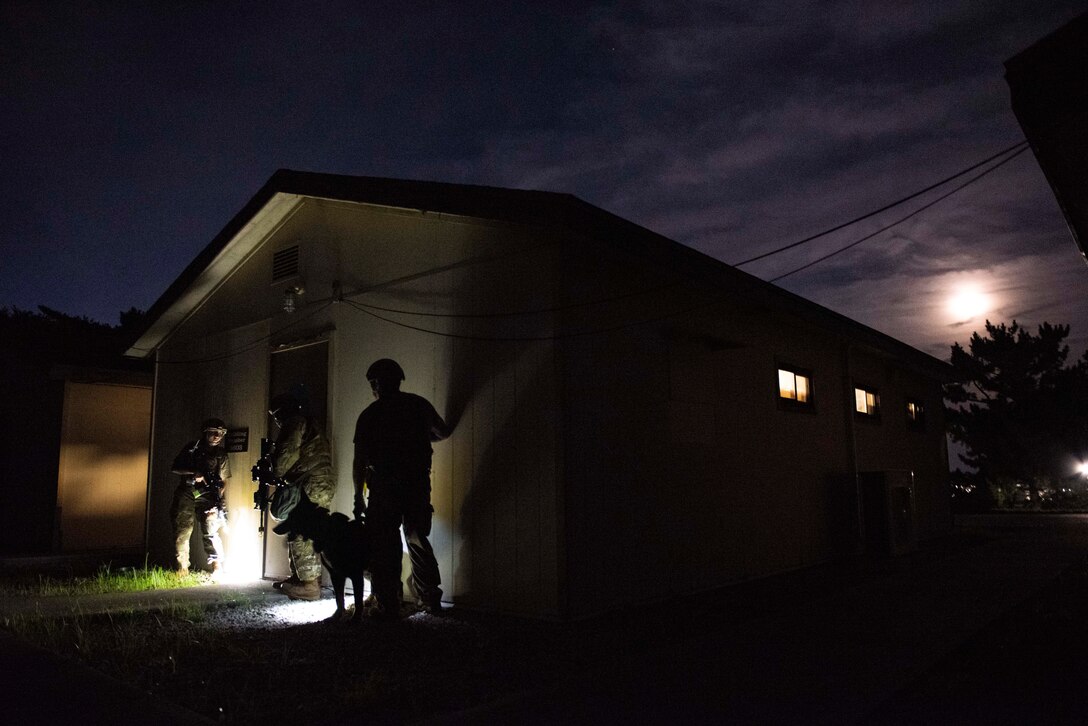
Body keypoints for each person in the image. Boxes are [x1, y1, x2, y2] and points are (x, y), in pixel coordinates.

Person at [353, 358, 452, 618]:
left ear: (375, 384)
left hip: (384, 487)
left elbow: (360, 461)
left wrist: (357, 496)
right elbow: (442, 432)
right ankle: (429, 598)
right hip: (416, 484)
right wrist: (419, 436)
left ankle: (389, 603)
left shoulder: (370, 415)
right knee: (417, 537)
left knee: (385, 544)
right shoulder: (418, 405)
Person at [269, 391, 335, 601]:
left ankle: (309, 586)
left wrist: (272, 470)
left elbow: (282, 462)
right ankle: (300, 578)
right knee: (301, 527)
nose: (278, 421)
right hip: (316, 481)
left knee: (301, 530)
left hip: (311, 483)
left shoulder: (294, 423)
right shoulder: (309, 423)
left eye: (278, 415)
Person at [170, 418, 231, 577]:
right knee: (183, 529)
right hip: (188, 491)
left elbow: (223, 481)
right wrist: (192, 473)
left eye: (220, 434)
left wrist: (217, 500)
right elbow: (175, 468)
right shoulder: (193, 448)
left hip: (208, 495)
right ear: (205, 433)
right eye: (213, 433)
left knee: (210, 529)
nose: (217, 436)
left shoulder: (221, 455)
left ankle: (217, 566)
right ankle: (182, 568)